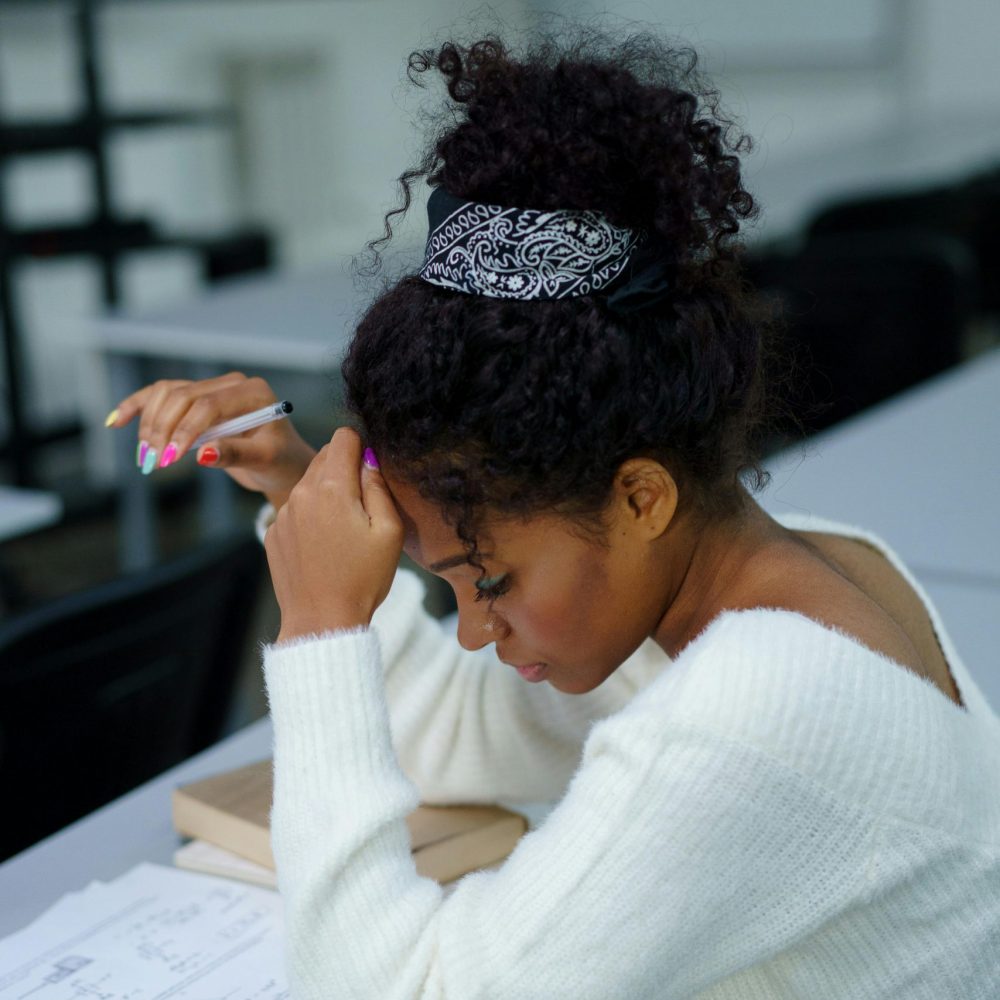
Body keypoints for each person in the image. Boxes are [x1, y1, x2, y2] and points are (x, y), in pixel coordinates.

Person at [110, 31, 1000, 1000]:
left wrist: (320, 626)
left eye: (488, 582)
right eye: (453, 583)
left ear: (639, 494)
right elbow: (447, 732)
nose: (482, 633)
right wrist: (296, 488)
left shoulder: (753, 703)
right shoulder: (795, 575)